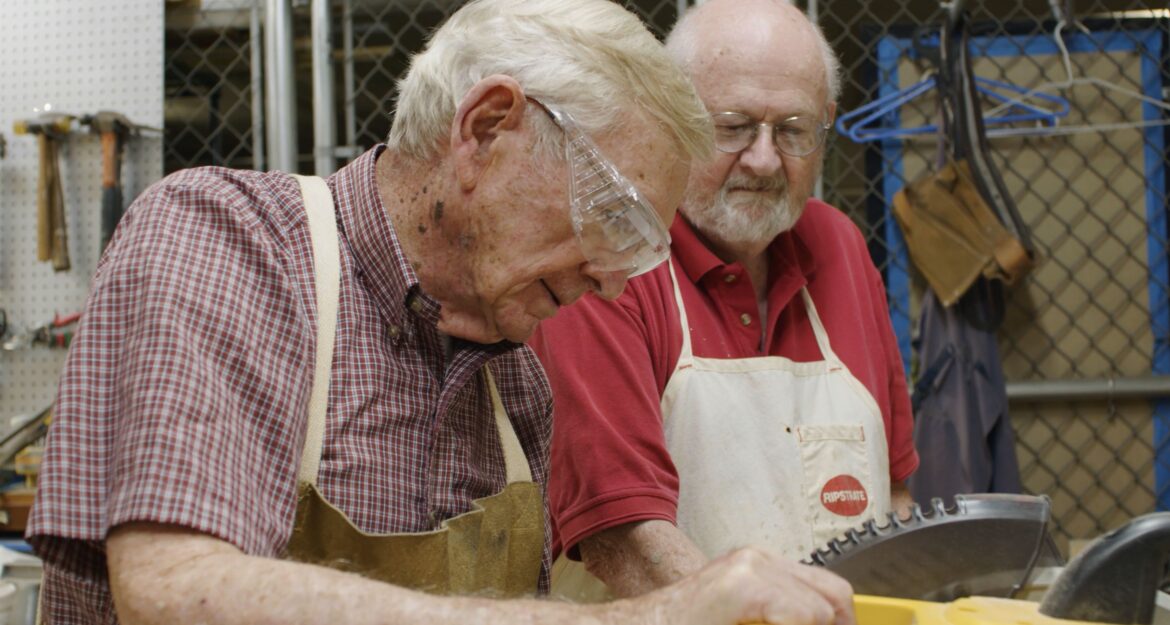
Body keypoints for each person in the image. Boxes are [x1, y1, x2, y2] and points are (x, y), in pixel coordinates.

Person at [26, 0, 857, 623]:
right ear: (488, 129)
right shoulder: (230, 240)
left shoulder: (515, 386)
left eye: (642, 248)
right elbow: (171, 591)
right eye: (617, 221)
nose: (613, 282)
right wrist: (648, 616)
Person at [529, 0, 920, 599]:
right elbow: (625, 538)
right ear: (672, 118)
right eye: (733, 126)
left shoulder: (839, 246)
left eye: (792, 131)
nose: (764, 160)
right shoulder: (607, 261)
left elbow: (893, 491)